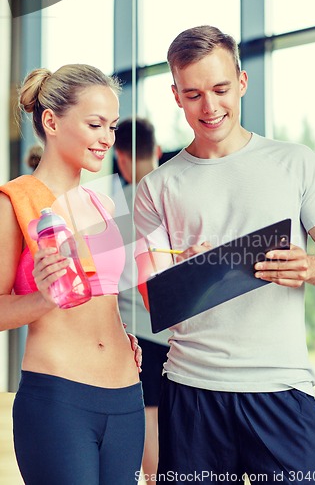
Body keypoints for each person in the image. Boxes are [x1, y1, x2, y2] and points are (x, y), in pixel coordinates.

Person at [133, 25, 315, 484]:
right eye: (192, 94)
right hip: (192, 393)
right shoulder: (156, 188)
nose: (209, 107)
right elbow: (153, 300)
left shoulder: (295, 162)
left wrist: (311, 266)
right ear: (175, 95)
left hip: (281, 389)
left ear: (242, 82)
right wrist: (187, 269)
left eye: (220, 89)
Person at [0, 64, 145, 485]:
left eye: (113, 126)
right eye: (95, 124)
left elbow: (104, 302)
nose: (107, 138)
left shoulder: (102, 205)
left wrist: (120, 335)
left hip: (126, 398)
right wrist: (43, 298)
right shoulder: (15, 201)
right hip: (59, 399)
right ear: (51, 121)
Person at [115, 117, 170, 484]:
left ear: (120, 158)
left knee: (150, 419)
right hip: (180, 335)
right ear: (158, 151)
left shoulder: (116, 209)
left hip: (139, 335)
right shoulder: (175, 202)